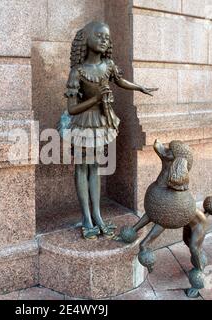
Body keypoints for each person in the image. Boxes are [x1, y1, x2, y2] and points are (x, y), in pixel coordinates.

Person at [63, 21, 158, 240]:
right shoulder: (77, 72)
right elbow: (72, 108)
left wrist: (139, 87)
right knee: (81, 167)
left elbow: (120, 81)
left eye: (107, 37)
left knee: (95, 167)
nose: (105, 40)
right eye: (99, 36)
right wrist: (96, 98)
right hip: (83, 123)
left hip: (101, 122)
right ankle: (86, 218)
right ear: (86, 39)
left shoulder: (108, 66)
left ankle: (97, 215)